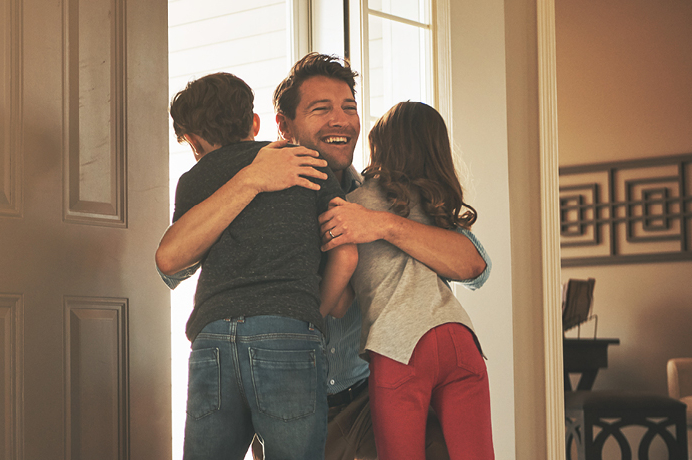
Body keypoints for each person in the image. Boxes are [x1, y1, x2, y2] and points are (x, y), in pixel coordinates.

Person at [158, 53, 491, 460]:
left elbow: (474, 265)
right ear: (283, 126)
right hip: (294, 403)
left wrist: (381, 225)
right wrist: (252, 180)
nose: (341, 120)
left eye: (349, 108)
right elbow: (172, 264)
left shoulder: (387, 194)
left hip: (369, 402)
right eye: (321, 109)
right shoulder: (249, 182)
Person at [158, 71, 359, 460]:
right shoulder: (306, 161)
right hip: (288, 334)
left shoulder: (193, 179)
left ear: (193, 141)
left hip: (212, 337)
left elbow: (173, 258)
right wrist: (308, 313)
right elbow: (347, 253)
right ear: (255, 123)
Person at [344, 101, 493, 459]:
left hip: (399, 345)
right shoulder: (437, 206)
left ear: (382, 146)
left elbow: (477, 266)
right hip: (459, 336)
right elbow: (478, 266)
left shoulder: (354, 203)